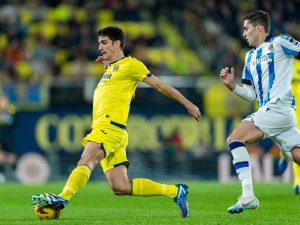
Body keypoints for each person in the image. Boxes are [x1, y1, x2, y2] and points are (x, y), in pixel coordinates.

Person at [32, 26, 201, 218]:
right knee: (120, 186)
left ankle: (63, 197)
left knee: (86, 160)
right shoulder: (111, 68)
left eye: (104, 43)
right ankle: (175, 191)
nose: (100, 47)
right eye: (99, 43)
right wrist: (108, 65)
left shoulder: (132, 64)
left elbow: (160, 86)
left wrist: (189, 104)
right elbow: (118, 88)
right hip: (114, 131)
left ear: (117, 43)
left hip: (109, 127)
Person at [219, 10, 300, 214]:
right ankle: (248, 197)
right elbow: (250, 94)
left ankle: (248, 196)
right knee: (297, 154)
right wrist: (231, 86)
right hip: (273, 112)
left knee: (235, 139)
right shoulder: (249, 56)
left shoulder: (280, 43)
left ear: (259, 28)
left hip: (279, 106)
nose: (244, 33)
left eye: (246, 28)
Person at [277, 57, 300, 194]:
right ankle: (298, 181)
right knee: (297, 144)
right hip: (292, 111)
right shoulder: (286, 66)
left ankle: (284, 154)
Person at [0, 95, 17, 182]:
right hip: (1, 138)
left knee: (12, 157)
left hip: (8, 138)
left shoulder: (11, 111)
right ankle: (1, 173)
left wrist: (4, 111)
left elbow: (12, 121)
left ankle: (13, 172)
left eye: (5, 101)